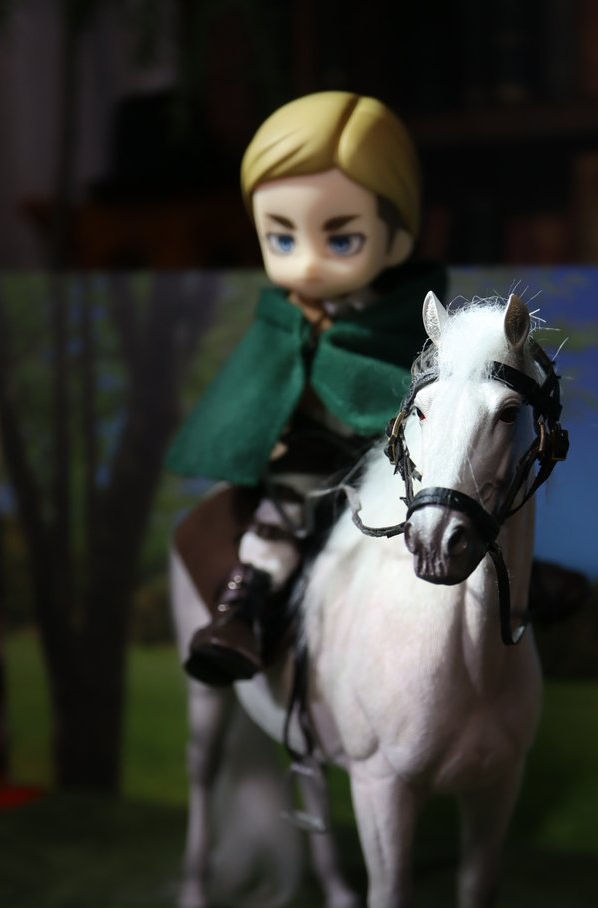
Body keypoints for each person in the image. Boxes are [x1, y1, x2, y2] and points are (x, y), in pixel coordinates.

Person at [166, 91, 447, 686]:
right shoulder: (285, 322)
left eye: (342, 240)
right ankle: (243, 609)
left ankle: (515, 586)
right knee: (277, 522)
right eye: (282, 240)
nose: (310, 263)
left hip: (389, 461)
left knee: (457, 503)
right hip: (310, 460)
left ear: (397, 239)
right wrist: (260, 438)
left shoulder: (406, 319)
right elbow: (253, 396)